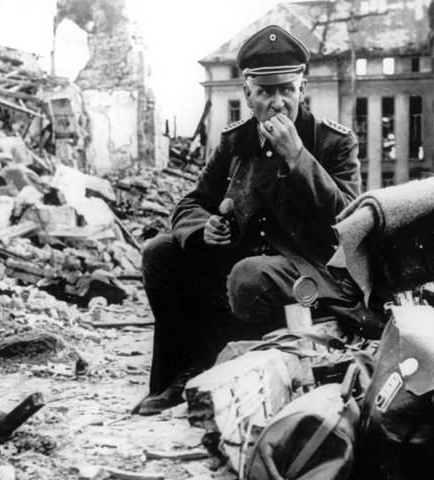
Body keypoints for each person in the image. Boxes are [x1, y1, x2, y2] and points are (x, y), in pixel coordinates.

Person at [133, 25, 370, 416]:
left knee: (248, 276)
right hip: (246, 264)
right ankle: (182, 374)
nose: (278, 103)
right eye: (265, 92)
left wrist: (298, 158)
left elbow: (347, 221)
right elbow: (192, 202)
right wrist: (204, 227)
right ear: (248, 95)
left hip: (311, 267)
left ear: (303, 89)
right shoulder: (236, 140)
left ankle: (234, 370)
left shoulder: (333, 142)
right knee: (160, 252)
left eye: (286, 90)